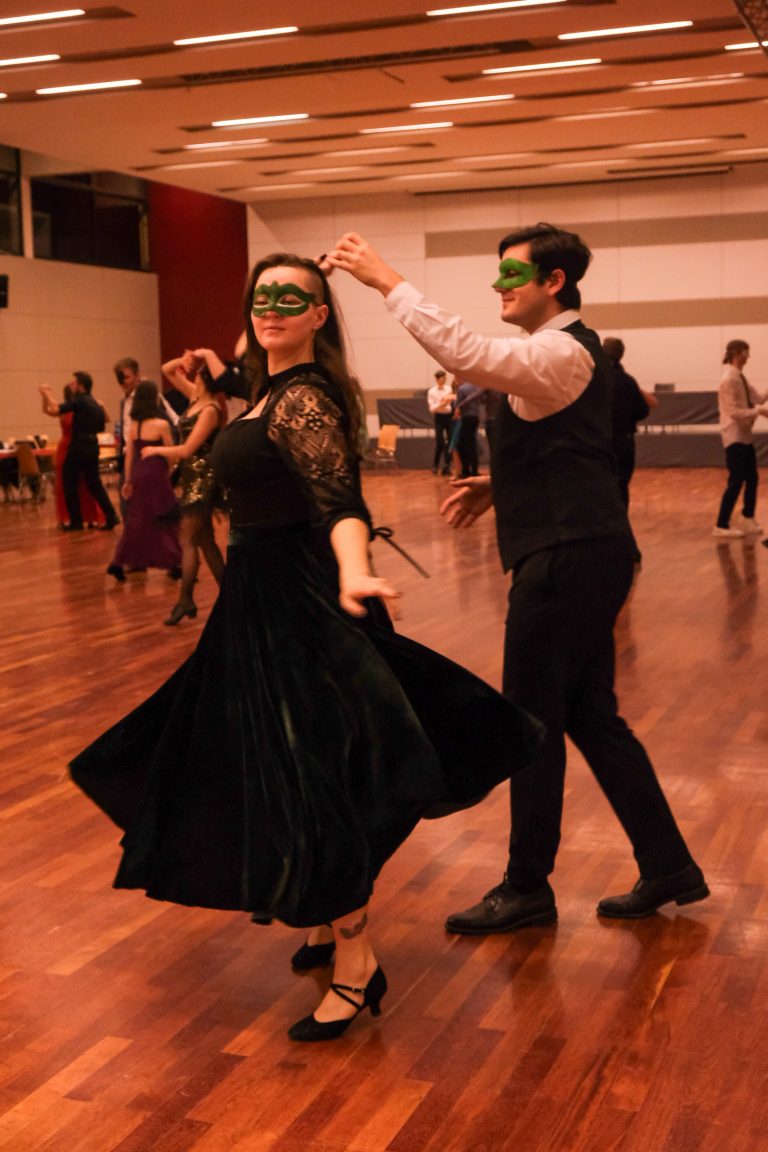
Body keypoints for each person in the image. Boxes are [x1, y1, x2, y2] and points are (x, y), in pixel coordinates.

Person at [68, 252, 541, 1043]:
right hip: (258, 605)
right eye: (263, 296)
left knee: (311, 777)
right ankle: (326, 924)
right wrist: (222, 369)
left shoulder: (305, 400)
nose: (273, 307)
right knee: (262, 758)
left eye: (293, 299)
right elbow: (253, 379)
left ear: (321, 316)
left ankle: (357, 961)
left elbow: (338, 501)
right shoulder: (269, 390)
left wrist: (355, 567)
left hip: (303, 606)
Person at [328, 223, 708, 930]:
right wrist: (500, 484)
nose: (497, 286)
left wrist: (386, 281)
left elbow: (467, 354)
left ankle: (527, 885)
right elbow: (567, 445)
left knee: (531, 722)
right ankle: (668, 863)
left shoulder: (559, 349)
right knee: (591, 717)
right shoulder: (560, 353)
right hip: (585, 551)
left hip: (565, 558)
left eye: (511, 274)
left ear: (553, 281)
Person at [144, 353, 226, 625]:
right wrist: (187, 358)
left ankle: (185, 600)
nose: (193, 374)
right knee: (205, 541)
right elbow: (167, 370)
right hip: (192, 477)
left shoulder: (210, 409)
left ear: (204, 379)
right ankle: (231, 596)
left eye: (198, 371)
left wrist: (156, 450)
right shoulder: (195, 396)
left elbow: (188, 449)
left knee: (187, 538)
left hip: (204, 479)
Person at [106, 381, 182, 583]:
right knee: (165, 516)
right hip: (157, 473)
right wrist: (170, 470)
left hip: (139, 473)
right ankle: (174, 564)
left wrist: (128, 480)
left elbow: (130, 456)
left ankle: (118, 562)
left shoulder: (134, 426)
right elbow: (171, 452)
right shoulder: (161, 424)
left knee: (136, 520)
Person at [38, 372, 118, 531]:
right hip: (92, 445)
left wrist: (46, 393)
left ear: (81, 386)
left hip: (78, 446)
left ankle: (76, 521)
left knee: (68, 482)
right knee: (94, 483)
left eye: (74, 383)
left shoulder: (79, 400)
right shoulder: (94, 402)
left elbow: (55, 408)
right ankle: (111, 516)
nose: (72, 385)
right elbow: (103, 424)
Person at [602, 337, 658, 562]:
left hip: (604, 445)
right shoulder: (628, 381)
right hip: (626, 444)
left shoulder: (596, 380)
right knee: (621, 492)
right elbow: (644, 410)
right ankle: (625, 546)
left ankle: (620, 547)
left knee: (606, 496)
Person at [713, 339, 768, 538]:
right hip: (734, 436)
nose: (748, 357)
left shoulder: (739, 377)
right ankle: (721, 524)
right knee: (736, 480)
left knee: (752, 477)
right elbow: (733, 411)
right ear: (736, 353)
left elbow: (758, 399)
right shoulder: (729, 379)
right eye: (746, 352)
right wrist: (759, 411)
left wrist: (760, 406)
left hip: (744, 435)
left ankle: (747, 518)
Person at [453, 381, 484, 477]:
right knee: (472, 443)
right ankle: (474, 469)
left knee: (461, 445)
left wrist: (457, 407)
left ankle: (466, 470)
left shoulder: (462, 388)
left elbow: (457, 404)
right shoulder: (477, 387)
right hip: (475, 417)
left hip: (466, 417)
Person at [427, 368, 454, 474]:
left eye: (445, 378)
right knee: (440, 442)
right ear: (437, 379)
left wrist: (442, 404)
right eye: (442, 378)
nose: (444, 380)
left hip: (449, 417)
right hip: (439, 417)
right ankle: (435, 465)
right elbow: (432, 409)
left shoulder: (449, 389)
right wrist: (441, 404)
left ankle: (447, 466)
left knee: (450, 442)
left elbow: (451, 403)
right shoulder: (432, 392)